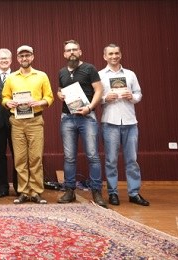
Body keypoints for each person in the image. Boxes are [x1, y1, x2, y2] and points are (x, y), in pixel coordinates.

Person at [56, 40, 107, 208]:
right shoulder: (62, 72)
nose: (71, 52)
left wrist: (90, 107)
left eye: (74, 49)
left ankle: (96, 192)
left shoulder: (89, 69)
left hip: (87, 117)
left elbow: (99, 90)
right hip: (67, 118)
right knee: (69, 157)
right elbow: (59, 90)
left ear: (80, 52)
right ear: (64, 54)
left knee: (92, 156)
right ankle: (69, 190)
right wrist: (59, 95)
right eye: (68, 50)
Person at [2, 45, 54, 204]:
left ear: (32, 57)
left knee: (35, 158)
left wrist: (39, 102)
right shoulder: (11, 77)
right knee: (20, 159)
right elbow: (4, 98)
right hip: (16, 122)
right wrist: (8, 103)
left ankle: (36, 192)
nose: (24, 58)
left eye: (27, 55)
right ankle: (24, 191)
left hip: (35, 120)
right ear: (17, 59)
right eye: (21, 56)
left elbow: (50, 98)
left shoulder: (42, 76)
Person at [99, 44, 149, 206]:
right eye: (110, 54)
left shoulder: (130, 74)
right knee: (111, 160)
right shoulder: (99, 75)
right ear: (105, 56)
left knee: (132, 160)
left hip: (130, 122)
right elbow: (94, 99)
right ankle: (113, 193)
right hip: (110, 122)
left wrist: (132, 97)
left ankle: (134, 193)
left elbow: (139, 94)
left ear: (120, 55)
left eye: (116, 53)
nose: (114, 56)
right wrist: (106, 98)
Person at [0, 48, 18, 198]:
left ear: (11, 60)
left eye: (6, 58)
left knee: (17, 155)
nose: (4, 61)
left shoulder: (18, 76)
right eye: (1, 59)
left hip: (17, 121)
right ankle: (2, 187)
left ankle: (19, 187)